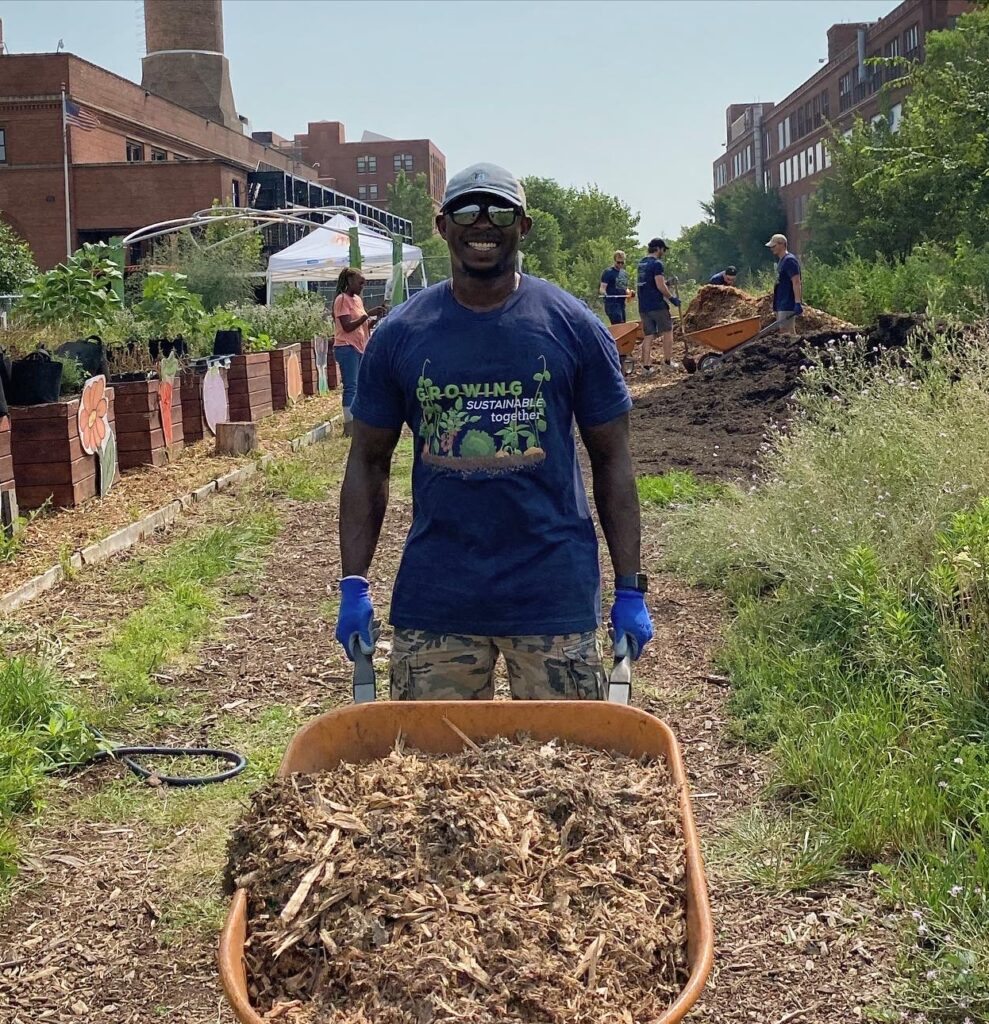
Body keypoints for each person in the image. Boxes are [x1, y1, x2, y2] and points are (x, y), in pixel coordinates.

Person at [334, 162, 653, 701]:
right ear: (442, 225)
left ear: (522, 226)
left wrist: (629, 587)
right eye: (466, 209)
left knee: (564, 772)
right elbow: (368, 462)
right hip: (439, 600)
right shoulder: (400, 335)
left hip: (552, 597)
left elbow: (613, 461)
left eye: (500, 210)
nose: (483, 223)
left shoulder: (574, 327)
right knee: (428, 775)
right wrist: (353, 584)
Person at [332, 267, 386, 436]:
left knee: (360, 386)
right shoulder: (342, 300)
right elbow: (347, 327)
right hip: (346, 347)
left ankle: (357, 422)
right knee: (351, 387)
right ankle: (349, 426)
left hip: (359, 347)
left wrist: (373, 319)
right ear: (349, 281)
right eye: (360, 282)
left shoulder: (357, 300)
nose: (363, 286)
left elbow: (362, 326)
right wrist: (366, 315)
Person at [636, 238, 681, 372]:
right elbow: (659, 286)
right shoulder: (657, 264)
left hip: (643, 306)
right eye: (663, 250)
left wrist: (668, 283)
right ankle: (667, 363)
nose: (664, 252)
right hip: (657, 305)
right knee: (667, 331)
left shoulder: (642, 263)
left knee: (648, 335)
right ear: (658, 249)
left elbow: (652, 283)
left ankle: (646, 367)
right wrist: (672, 298)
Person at [765, 233, 802, 337]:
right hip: (781, 302)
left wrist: (797, 302)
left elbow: (796, 281)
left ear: (782, 244)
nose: (771, 248)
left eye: (774, 246)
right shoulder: (781, 261)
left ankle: (796, 351)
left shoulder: (789, 260)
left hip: (788, 302)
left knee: (787, 333)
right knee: (784, 332)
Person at [599, 250, 633, 324]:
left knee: (624, 325)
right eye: (618, 262)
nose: (620, 264)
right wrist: (604, 293)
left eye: (622, 262)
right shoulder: (608, 272)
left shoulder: (624, 273)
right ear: (615, 261)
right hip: (612, 304)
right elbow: (602, 288)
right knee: (618, 324)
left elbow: (624, 288)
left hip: (621, 303)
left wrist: (630, 293)